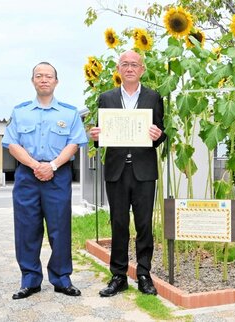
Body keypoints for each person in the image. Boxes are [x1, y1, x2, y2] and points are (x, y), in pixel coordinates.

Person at [2, 62, 88, 300]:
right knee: (27, 228)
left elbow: (74, 144)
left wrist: (51, 166)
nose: (43, 79)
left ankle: (61, 279)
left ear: (56, 82)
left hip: (57, 175)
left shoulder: (69, 113)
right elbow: (12, 144)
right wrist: (35, 165)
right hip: (27, 176)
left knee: (60, 228)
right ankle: (30, 280)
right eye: (38, 76)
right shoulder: (20, 112)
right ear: (33, 81)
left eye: (48, 76)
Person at [89, 50, 166, 297]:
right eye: (125, 64)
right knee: (119, 223)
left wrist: (159, 136)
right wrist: (96, 137)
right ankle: (118, 276)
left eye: (135, 64)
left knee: (144, 224)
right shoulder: (106, 98)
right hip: (117, 170)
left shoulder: (154, 97)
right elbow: (102, 135)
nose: (130, 68)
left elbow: (160, 131)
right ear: (118, 69)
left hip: (143, 170)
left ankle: (144, 274)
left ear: (142, 69)